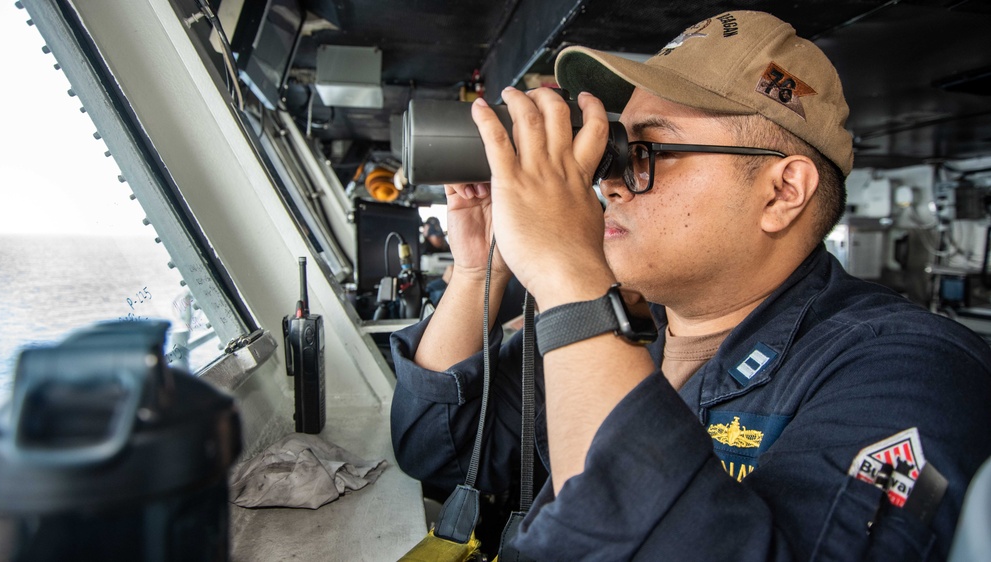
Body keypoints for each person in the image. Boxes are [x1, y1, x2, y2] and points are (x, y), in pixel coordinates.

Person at [390, 10, 991, 560]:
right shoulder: (623, 320)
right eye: (619, 152)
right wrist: (477, 271)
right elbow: (436, 447)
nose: (612, 184)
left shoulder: (908, 369)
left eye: (645, 150)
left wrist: (566, 270)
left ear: (782, 193)